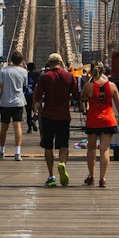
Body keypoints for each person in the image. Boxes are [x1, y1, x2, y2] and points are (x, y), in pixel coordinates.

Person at [33, 52, 78, 187]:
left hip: (48, 116)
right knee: (63, 144)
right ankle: (62, 163)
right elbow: (76, 95)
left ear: (49, 63)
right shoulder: (69, 76)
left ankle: (51, 176)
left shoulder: (44, 77)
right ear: (61, 62)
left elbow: (37, 97)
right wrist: (66, 98)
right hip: (64, 116)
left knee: (48, 146)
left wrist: (37, 106)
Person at [80, 62, 119, 187]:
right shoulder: (112, 85)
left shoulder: (89, 85)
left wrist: (86, 82)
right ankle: (102, 179)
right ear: (104, 71)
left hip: (93, 120)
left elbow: (82, 98)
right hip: (108, 120)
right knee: (104, 150)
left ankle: (91, 176)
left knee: (91, 149)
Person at [0, 50, 28, 161]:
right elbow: (24, 85)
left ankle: (2, 150)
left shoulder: (3, 70)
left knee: (4, 127)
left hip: (5, 103)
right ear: (21, 60)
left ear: (11, 60)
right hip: (18, 102)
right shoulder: (24, 72)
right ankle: (18, 152)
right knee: (17, 127)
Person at [24, 61, 38, 132]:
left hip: (26, 94)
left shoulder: (25, 75)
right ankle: (34, 119)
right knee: (37, 110)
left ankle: (29, 128)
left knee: (28, 112)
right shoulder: (38, 74)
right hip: (35, 94)